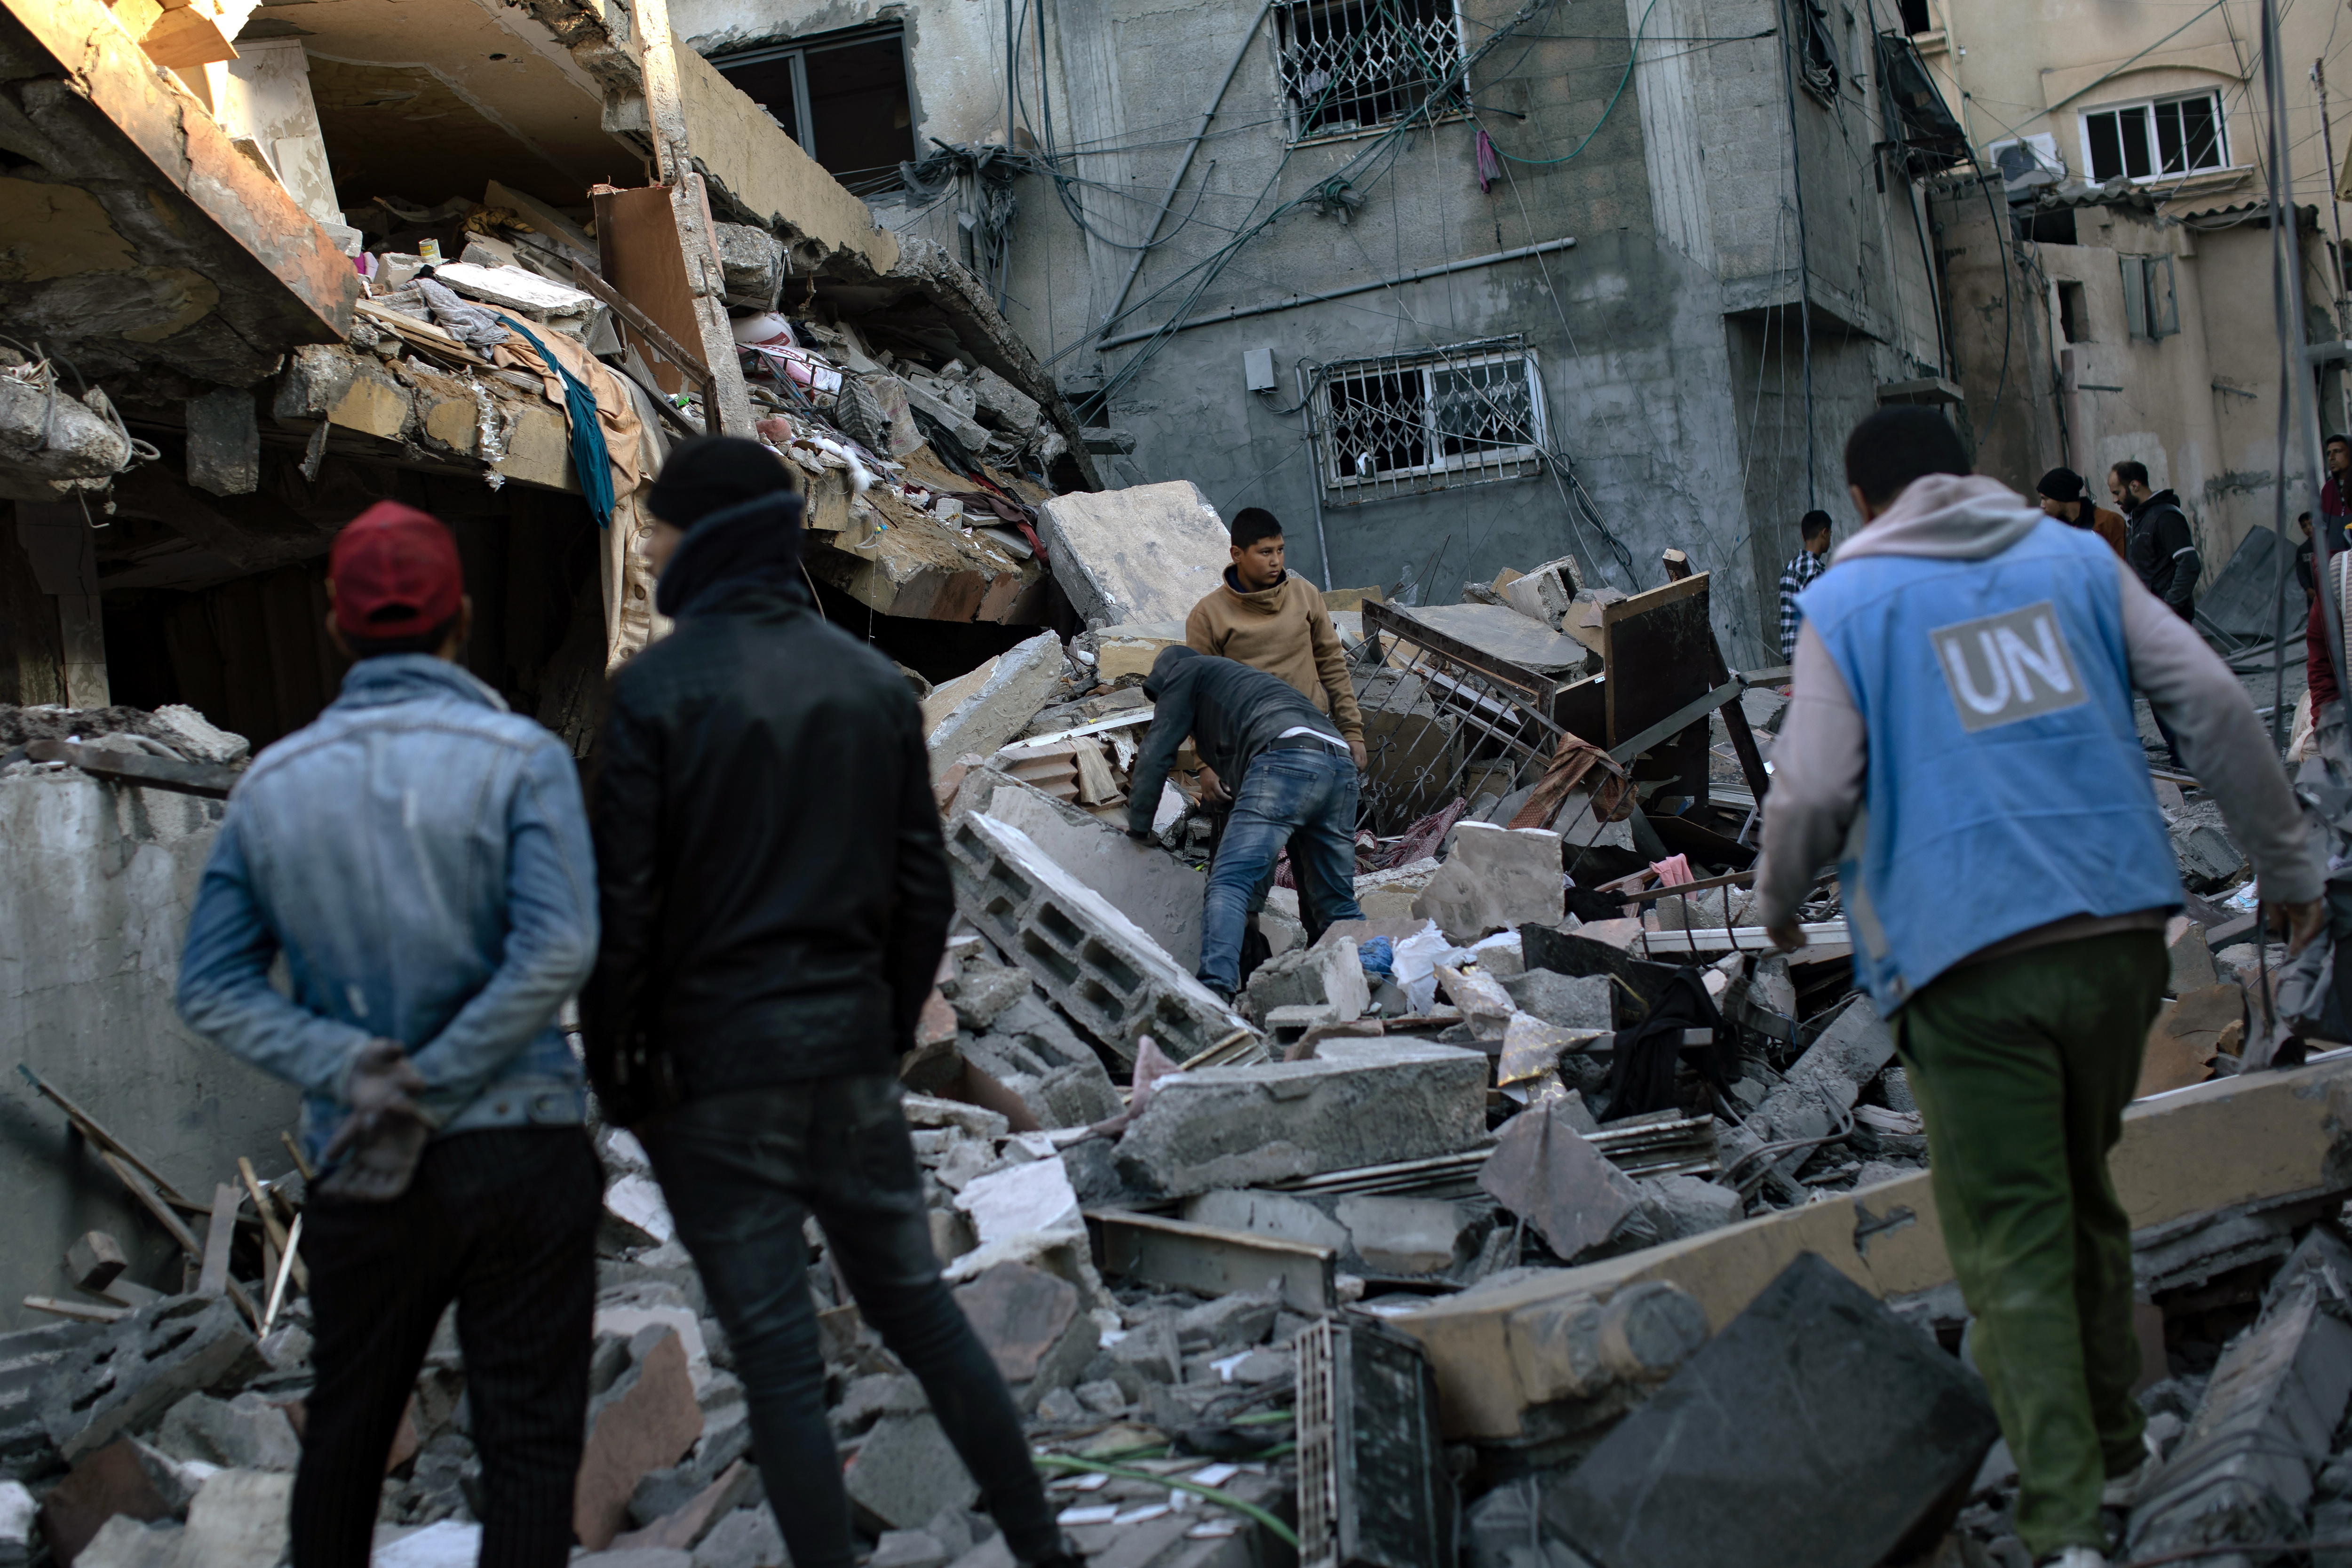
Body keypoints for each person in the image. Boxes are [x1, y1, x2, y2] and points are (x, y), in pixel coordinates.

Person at [1756, 407, 2320, 1568]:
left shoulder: (1847, 602)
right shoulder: (2072, 558)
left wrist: (1773, 912)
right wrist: (2288, 868)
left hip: (1962, 963)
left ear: (1862, 504)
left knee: (2008, 1235)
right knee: (2082, 1192)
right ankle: (2118, 1447)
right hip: (2119, 936)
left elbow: (1808, 793)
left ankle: (2067, 1522)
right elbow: (2212, 704)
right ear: (1971, 476)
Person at [581, 437, 1075, 1568]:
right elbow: (919, 891)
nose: (646, 544)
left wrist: (622, 1077)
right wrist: (883, 1027)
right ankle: (1045, 1551)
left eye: (659, 523)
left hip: (711, 1079)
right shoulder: (864, 686)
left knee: (776, 1362)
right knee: (920, 1311)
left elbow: (623, 911)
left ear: (705, 538)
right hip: (846, 1055)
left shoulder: (652, 693)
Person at [178, 501, 602, 1568]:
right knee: (528, 1445)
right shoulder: (524, 759)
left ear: (335, 624)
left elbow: (212, 986)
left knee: (350, 1434)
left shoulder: (271, 786)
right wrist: (447, 1074)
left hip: (366, 1157)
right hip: (521, 1146)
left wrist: (360, 1070)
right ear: (459, 618)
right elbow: (558, 951)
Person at [1128, 646, 1365, 1001]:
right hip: (1338, 763)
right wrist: (1251, 910)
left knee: (1228, 880)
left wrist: (1139, 829)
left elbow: (1155, 751)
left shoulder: (1184, 672)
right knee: (1337, 903)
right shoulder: (1243, 691)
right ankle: (1375, 984)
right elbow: (1264, 828)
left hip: (1287, 755)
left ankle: (1214, 994)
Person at [1184, 506, 1367, 799]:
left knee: (1321, 838)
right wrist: (1206, 764)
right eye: (1265, 552)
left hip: (1313, 737)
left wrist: (1352, 731)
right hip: (1249, 751)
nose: (1276, 561)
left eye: (1280, 550)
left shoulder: (1305, 595)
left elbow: (1333, 665)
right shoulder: (1209, 615)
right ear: (1237, 554)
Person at [2034, 467, 2127, 559]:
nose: (2042, 505)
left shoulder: (2109, 521)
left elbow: (2124, 563)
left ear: (2061, 497)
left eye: (2045, 499)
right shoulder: (2055, 530)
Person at [1777, 509, 1833, 661]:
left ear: (1803, 536)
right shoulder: (1814, 569)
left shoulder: (1790, 568)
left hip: (1791, 652)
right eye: (1831, 535)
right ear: (1825, 533)